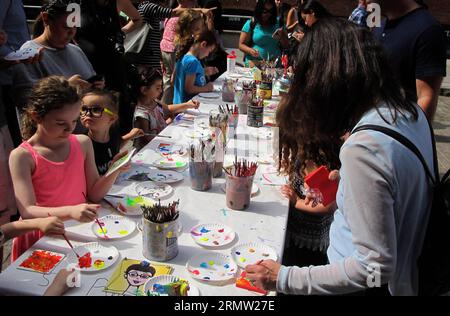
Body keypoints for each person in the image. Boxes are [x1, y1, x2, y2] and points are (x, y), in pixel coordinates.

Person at [245, 18, 434, 296]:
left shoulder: (364, 148)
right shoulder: (408, 111)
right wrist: (349, 185)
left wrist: (284, 278)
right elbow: (396, 190)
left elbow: (374, 269)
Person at [8, 76, 130, 261]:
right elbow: (28, 210)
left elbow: (94, 193)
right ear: (36, 117)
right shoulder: (23, 156)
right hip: (43, 235)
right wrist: (70, 211)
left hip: (80, 229)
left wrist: (115, 169)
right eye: (60, 123)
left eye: (74, 121)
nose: (70, 129)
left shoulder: (82, 143)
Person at [11, 1, 103, 111]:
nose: (71, 33)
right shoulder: (29, 54)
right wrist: (64, 88)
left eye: (75, 27)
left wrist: (96, 87)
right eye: (66, 27)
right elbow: (25, 102)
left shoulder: (75, 50)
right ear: (45, 19)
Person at [370, 0, 447, 121]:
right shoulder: (380, 27)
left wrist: (415, 136)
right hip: (370, 127)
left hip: (400, 131)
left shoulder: (428, 30)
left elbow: (426, 97)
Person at [133, 68, 200, 150]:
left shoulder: (154, 101)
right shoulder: (142, 115)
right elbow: (148, 141)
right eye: (157, 88)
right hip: (150, 152)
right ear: (144, 90)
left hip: (163, 143)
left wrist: (187, 105)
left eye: (161, 87)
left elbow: (168, 108)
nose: (161, 91)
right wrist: (167, 123)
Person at [81, 90, 144, 175]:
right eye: (83, 109)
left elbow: (115, 144)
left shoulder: (113, 134)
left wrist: (130, 136)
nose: (87, 113)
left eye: (96, 110)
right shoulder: (82, 144)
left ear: (112, 118)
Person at [239, 0, 289, 68]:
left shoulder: (279, 23)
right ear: (259, 10)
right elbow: (241, 45)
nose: (267, 14)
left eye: (270, 11)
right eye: (264, 11)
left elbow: (286, 45)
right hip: (254, 65)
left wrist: (282, 36)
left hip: (274, 66)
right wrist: (251, 51)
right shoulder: (251, 23)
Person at [173, 29, 217, 104]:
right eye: (209, 51)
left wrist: (203, 72)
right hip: (186, 106)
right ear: (203, 44)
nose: (207, 55)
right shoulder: (192, 61)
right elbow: (189, 88)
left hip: (179, 103)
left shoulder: (183, 56)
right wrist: (206, 88)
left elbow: (173, 79)